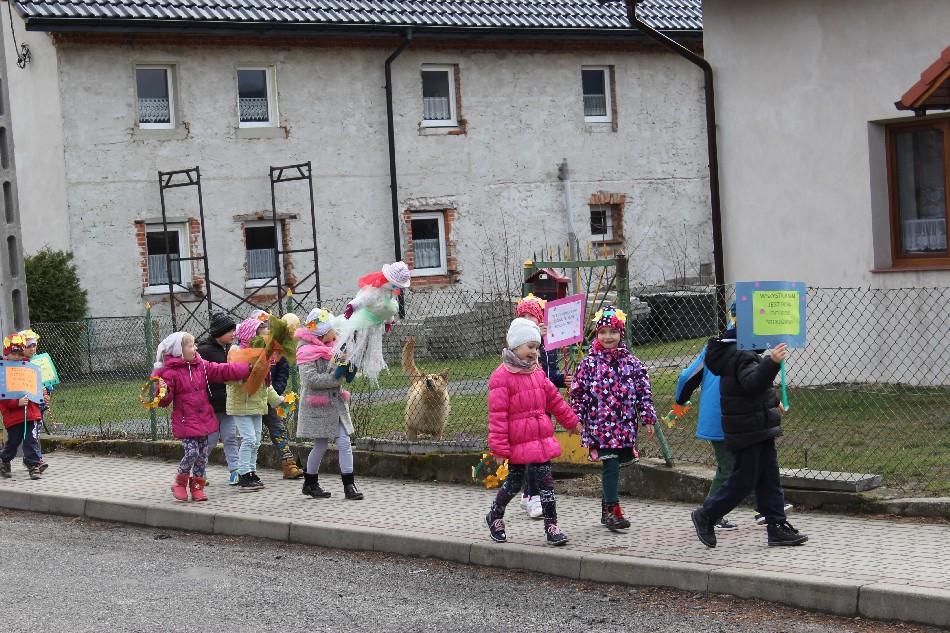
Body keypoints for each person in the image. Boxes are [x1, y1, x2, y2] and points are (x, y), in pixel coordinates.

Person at [689, 320, 808, 548]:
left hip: (757, 426)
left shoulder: (740, 352)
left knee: (769, 479)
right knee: (744, 480)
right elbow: (752, 383)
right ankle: (706, 515)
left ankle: (776, 526)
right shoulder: (742, 354)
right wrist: (772, 362)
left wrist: (773, 400)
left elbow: (750, 390)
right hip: (748, 429)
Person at [675, 302, 790, 528]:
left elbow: (755, 384)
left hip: (735, 417)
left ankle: (761, 511)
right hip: (724, 417)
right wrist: (680, 401)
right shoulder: (735, 351)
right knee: (733, 468)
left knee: (742, 465)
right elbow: (689, 376)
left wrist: (773, 400)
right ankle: (712, 514)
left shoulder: (727, 348)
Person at [484, 317, 579, 546]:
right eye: (530, 346)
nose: (535, 352)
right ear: (515, 346)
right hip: (518, 442)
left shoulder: (537, 372)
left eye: (537, 347)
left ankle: (551, 526)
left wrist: (571, 422)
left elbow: (554, 400)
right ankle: (495, 514)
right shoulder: (501, 377)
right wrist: (499, 448)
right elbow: (497, 416)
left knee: (547, 485)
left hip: (540, 439)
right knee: (514, 483)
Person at [570, 305, 657, 532]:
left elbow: (643, 393)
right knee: (610, 465)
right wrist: (575, 418)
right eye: (602, 332)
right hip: (598, 426)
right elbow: (578, 394)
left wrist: (647, 417)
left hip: (623, 424)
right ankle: (613, 512)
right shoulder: (588, 364)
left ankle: (605, 511)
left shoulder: (633, 363)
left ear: (621, 334)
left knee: (614, 465)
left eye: (613, 332)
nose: (607, 337)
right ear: (597, 334)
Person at [154, 331, 251, 501]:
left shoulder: (201, 365)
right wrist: (163, 391)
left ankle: (197, 487)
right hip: (186, 422)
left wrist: (245, 369)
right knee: (192, 453)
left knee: (202, 457)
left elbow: (221, 370)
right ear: (179, 351)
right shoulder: (170, 372)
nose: (195, 348)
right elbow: (163, 401)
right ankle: (180, 482)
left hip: (204, 419)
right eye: (190, 346)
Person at [513, 294, 572, 519]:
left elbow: (550, 374)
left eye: (533, 316)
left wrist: (562, 380)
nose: (529, 320)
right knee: (534, 451)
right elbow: (525, 367)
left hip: (543, 402)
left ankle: (529, 494)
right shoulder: (517, 344)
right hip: (525, 405)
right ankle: (534, 497)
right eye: (524, 316)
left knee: (538, 449)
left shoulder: (548, 343)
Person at [294, 308, 362, 500]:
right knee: (321, 445)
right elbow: (312, 379)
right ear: (324, 331)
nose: (336, 331)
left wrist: (349, 365)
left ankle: (349, 486)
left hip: (335, 405)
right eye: (333, 328)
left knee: (344, 442)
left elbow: (342, 369)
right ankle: (310, 483)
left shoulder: (334, 348)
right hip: (318, 405)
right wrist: (336, 378)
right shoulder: (306, 351)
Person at [227, 317, 285, 492]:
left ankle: (252, 472)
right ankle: (244, 474)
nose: (265, 338)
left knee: (256, 441)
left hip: (257, 406)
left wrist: (277, 400)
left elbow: (266, 384)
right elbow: (229, 378)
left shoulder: (262, 355)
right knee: (249, 439)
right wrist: (244, 376)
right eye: (261, 335)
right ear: (250, 336)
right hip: (242, 405)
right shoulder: (237, 353)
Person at [197, 312, 242, 485]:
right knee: (210, 440)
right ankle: (199, 471)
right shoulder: (204, 351)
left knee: (230, 438)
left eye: (234, 330)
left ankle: (235, 470)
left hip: (228, 404)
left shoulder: (232, 350)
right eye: (229, 331)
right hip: (210, 406)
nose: (233, 334)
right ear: (219, 332)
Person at [262, 313, 305, 480]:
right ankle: (243, 470)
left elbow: (282, 374)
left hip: (271, 400)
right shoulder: (255, 348)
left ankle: (289, 464)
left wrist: (276, 390)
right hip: (251, 400)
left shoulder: (280, 353)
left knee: (278, 429)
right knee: (251, 436)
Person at [0, 333, 45, 480]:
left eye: (20, 354)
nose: (17, 357)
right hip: (14, 416)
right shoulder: (3, 371)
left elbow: (35, 386)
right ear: (7, 354)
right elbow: (3, 395)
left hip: (31, 413)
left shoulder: (28, 367)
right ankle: (5, 460)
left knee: (31, 440)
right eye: (14, 354)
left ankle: (33, 466)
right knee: (13, 442)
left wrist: (42, 394)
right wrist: (16, 403)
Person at [19, 329, 50, 474]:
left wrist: (47, 392)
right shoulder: (19, 364)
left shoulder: (40, 361)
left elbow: (48, 381)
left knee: (36, 431)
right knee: (28, 432)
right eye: (28, 346)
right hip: (26, 404)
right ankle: (33, 459)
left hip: (39, 404)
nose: (32, 349)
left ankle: (35, 458)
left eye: (34, 346)